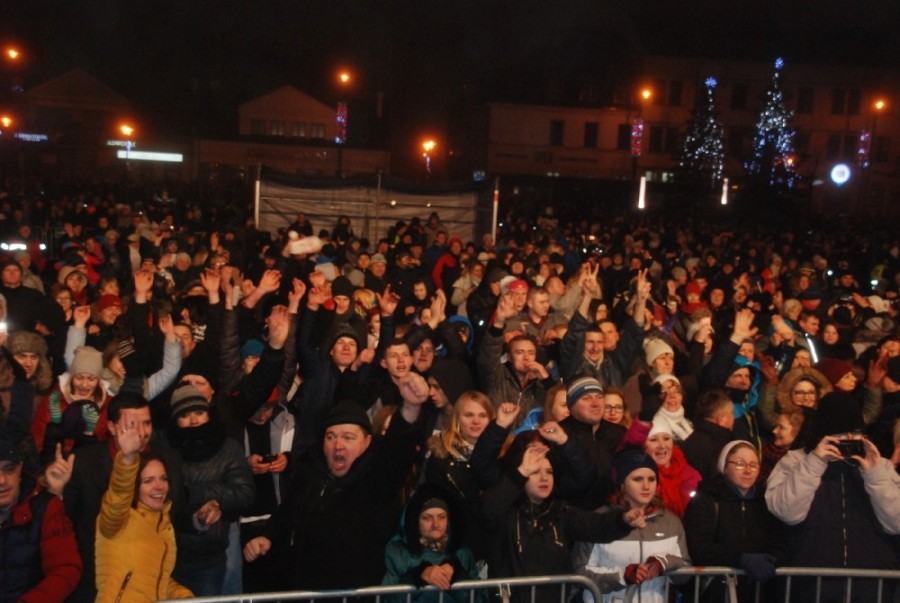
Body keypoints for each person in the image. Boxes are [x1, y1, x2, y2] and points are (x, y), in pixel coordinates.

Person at [243, 378, 430, 591]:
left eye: (348, 437)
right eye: (331, 436)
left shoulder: (375, 477)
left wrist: (411, 407)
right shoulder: (309, 471)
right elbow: (286, 514)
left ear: (367, 441)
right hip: (302, 590)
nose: (338, 445)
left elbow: (396, 452)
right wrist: (267, 537)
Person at [765, 393, 900, 602]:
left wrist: (875, 474)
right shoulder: (796, 460)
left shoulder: (879, 465)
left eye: (851, 435)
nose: (844, 443)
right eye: (838, 436)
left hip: (873, 584)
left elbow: (897, 523)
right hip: (810, 583)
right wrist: (815, 461)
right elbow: (786, 511)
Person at [481, 431, 643, 603]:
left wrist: (623, 520)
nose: (544, 478)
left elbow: (594, 525)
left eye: (549, 472)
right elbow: (488, 510)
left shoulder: (560, 511)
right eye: (535, 472)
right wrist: (520, 472)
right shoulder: (506, 511)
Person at [0, 359, 82, 603]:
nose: (2, 480)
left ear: (20, 468)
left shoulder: (44, 507)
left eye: (9, 469)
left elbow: (66, 569)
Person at [165, 381, 256, 596]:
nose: (194, 420)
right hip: (168, 552)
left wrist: (199, 494)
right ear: (175, 419)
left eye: (199, 412)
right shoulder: (165, 448)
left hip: (210, 553)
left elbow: (245, 493)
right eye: (185, 414)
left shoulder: (228, 447)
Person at [94, 406, 192, 602]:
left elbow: (155, 580)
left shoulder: (164, 523)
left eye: (163, 479)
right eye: (148, 481)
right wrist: (128, 459)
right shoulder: (118, 519)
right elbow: (119, 494)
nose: (159, 487)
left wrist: (182, 595)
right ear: (135, 485)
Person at [573, 448, 690, 603]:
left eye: (652, 479)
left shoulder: (670, 522)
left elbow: (686, 572)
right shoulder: (599, 519)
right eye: (638, 479)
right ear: (622, 483)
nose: (646, 486)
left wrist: (664, 563)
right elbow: (579, 573)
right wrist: (623, 576)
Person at [684, 440, 786, 602]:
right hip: (716, 593)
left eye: (753, 465)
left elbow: (779, 540)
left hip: (758, 591)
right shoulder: (706, 500)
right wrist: (741, 559)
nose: (747, 471)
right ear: (725, 467)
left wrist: (771, 560)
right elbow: (699, 547)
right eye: (740, 464)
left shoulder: (765, 501)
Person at [381, 484, 483, 603]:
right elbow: (387, 599)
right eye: (427, 518)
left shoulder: (461, 553)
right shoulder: (398, 551)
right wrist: (417, 578)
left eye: (441, 517)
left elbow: (480, 598)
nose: (435, 524)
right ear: (415, 521)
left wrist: (458, 575)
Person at [423, 391, 494, 560]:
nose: (476, 421)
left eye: (482, 415)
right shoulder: (440, 458)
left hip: (495, 546)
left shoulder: (505, 454)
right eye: (469, 415)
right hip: (456, 547)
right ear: (457, 419)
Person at [643, 423, 700, 518]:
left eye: (666, 438)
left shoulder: (690, 474)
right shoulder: (640, 477)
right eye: (653, 440)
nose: (661, 445)